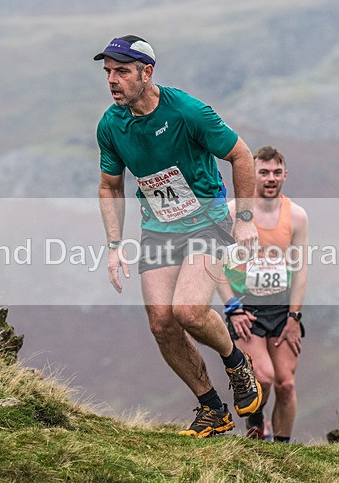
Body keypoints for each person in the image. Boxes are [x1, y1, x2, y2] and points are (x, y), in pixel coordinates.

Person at [95, 35, 262, 437]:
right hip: (158, 227)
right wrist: (115, 247)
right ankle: (212, 408)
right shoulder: (110, 125)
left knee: (189, 311)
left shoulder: (187, 111)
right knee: (162, 323)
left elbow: (242, 155)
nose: (112, 81)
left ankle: (236, 362)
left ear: (146, 72)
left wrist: (244, 219)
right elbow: (110, 186)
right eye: (108, 73)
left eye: (121, 71)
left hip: (207, 220)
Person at [217, 146, 308, 443]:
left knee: (285, 384)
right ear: (252, 174)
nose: (271, 179)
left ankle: (282, 451)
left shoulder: (296, 216)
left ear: (286, 175)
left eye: (277, 173)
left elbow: (301, 270)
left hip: (281, 310)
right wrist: (232, 307)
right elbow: (213, 262)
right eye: (264, 172)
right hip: (247, 309)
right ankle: (257, 430)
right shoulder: (234, 212)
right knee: (263, 377)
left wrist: (295, 317)